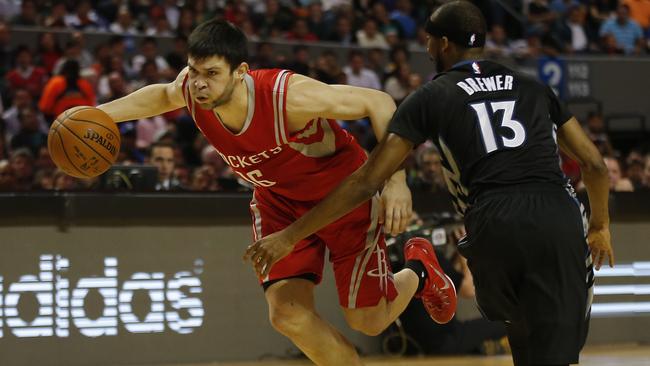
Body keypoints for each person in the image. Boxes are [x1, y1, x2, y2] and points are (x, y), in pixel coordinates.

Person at [247, 2, 614, 366]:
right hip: (555, 213)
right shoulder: (533, 86)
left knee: (524, 340)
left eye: (428, 42)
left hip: (492, 221)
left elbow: (364, 181)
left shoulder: (432, 95)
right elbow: (594, 165)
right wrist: (600, 226)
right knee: (557, 351)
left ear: (441, 44)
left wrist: (292, 234)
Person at [96, 19, 456, 366]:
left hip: (343, 196)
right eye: (193, 71)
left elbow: (378, 102)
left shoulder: (288, 96)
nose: (199, 83)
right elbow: (159, 96)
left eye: (211, 73)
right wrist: (94, 116)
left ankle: (420, 268)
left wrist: (395, 180)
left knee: (368, 320)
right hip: (279, 201)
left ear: (240, 72)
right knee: (286, 315)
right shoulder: (192, 91)